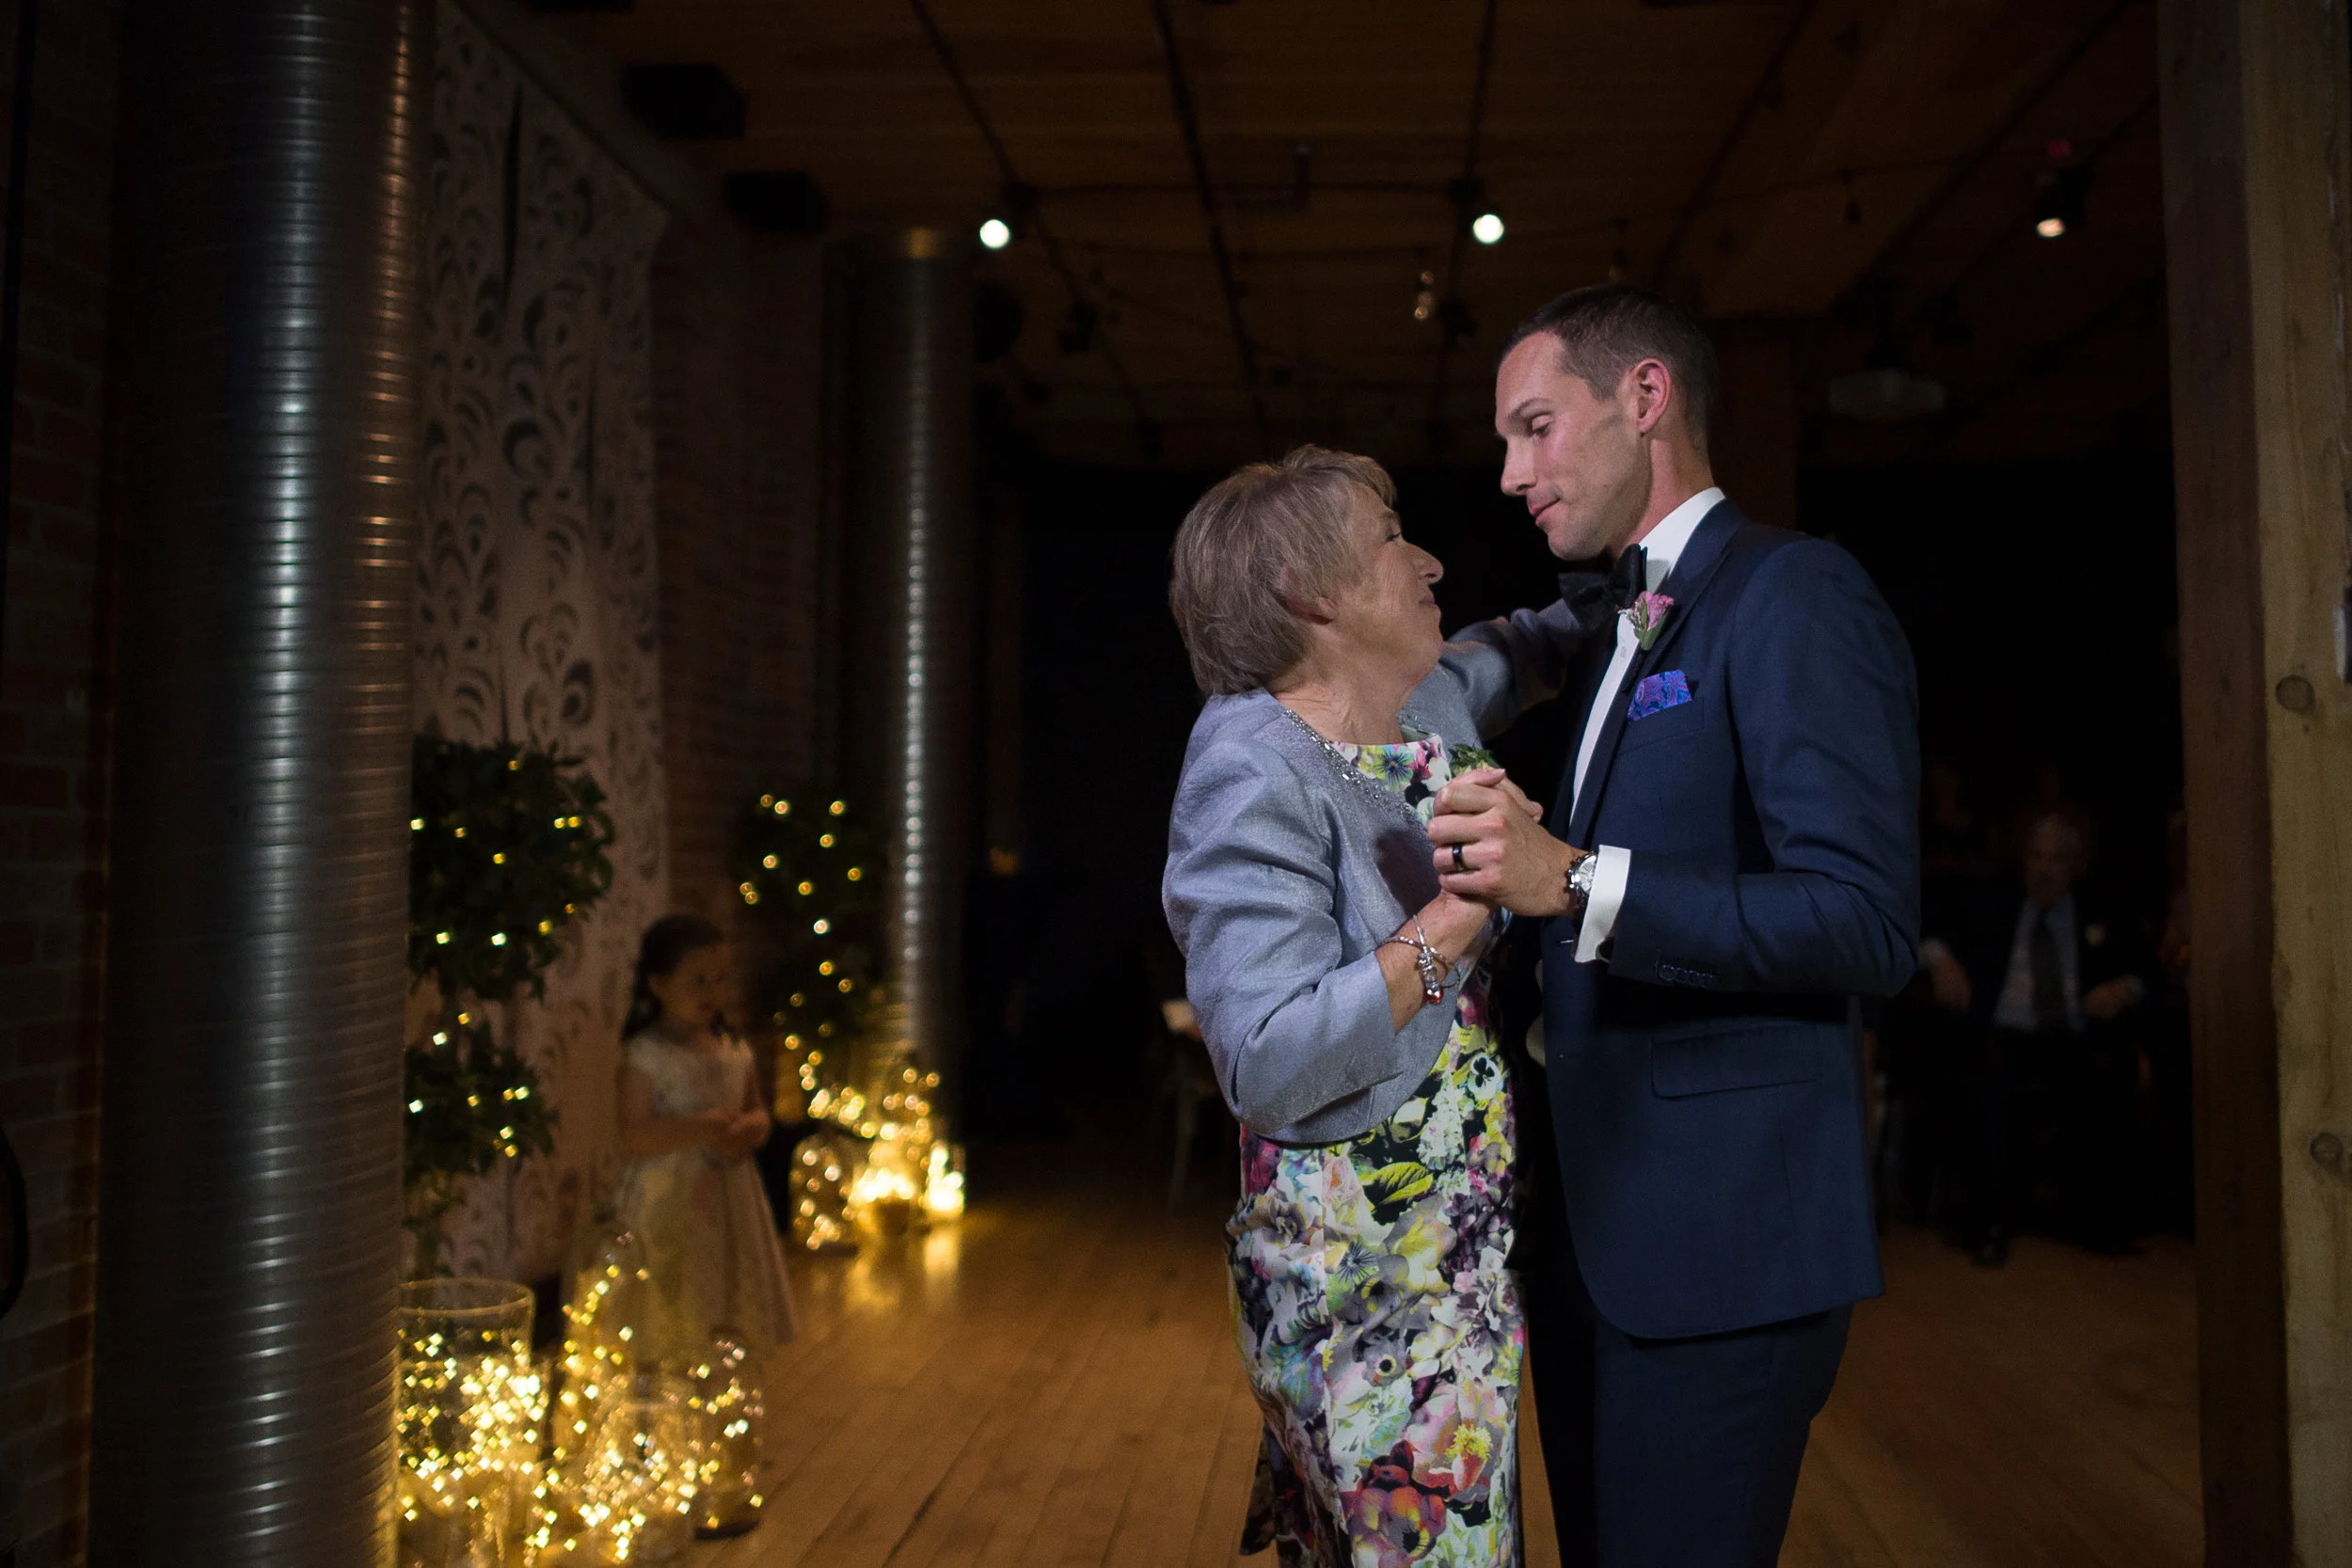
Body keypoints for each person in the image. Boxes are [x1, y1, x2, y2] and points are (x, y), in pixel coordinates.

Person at [1429, 284, 1919, 1568]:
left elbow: (1866, 920)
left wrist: (1577, 880)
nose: (1510, 473)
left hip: (1721, 1253)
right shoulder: (1618, 618)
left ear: (1644, 396)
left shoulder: (1794, 591)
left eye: (1535, 427)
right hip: (1592, 1237)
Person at [1161, 446, 1588, 1567]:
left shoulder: (1421, 696)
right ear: (1310, 593)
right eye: (1392, 537)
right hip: (1365, 1282)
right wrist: (1455, 918)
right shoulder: (1249, 770)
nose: (1429, 559)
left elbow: (1530, 646)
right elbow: (1264, 1058)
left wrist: (1647, 578)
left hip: (1462, 1257)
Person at [1919, 810, 2152, 1264]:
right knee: (1980, 1075)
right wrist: (1941, 961)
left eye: (2056, 859)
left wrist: (2123, 988)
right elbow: (1929, 927)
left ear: (2075, 866)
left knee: (2111, 1071)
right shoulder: (1993, 904)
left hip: (2073, 1032)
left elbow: (2145, 968)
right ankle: (1987, 1222)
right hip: (2006, 1030)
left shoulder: (2100, 908)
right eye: (2036, 857)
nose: (2044, 869)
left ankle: (2101, 1222)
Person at [612, 914, 799, 1370]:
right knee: (673, 1290)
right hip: (668, 1199)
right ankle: (666, 1378)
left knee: (726, 1287)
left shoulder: (733, 1048)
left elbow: (759, 1111)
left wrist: (751, 1129)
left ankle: (720, 1376)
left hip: (731, 1194)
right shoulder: (646, 1055)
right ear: (658, 984)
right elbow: (634, 1133)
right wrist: (697, 1126)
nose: (711, 992)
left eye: (719, 980)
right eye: (697, 981)